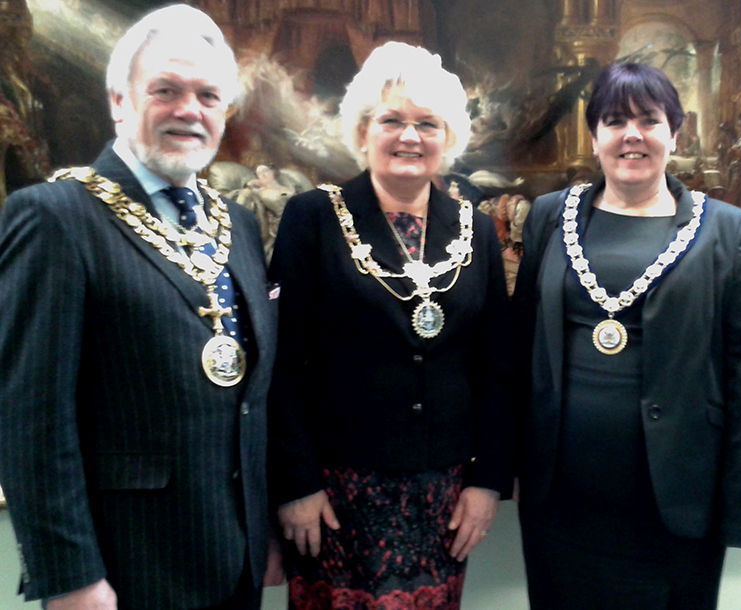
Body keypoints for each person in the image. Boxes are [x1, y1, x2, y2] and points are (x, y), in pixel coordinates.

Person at [0, 4, 278, 609]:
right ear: (119, 101)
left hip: (235, 560)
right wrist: (69, 576)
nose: (189, 110)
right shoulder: (53, 217)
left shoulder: (236, 224)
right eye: (166, 90)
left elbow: (250, 399)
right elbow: (31, 418)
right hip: (128, 569)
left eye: (208, 96)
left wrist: (265, 530)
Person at [513, 62, 741, 609]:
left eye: (649, 120)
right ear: (594, 136)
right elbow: (519, 345)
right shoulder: (547, 217)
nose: (632, 134)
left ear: (674, 133)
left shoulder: (727, 229)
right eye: (614, 120)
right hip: (560, 503)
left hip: (678, 503)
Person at [268, 41, 513, 609]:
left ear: (448, 138)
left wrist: (487, 482)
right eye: (392, 120)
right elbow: (282, 364)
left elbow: (497, 367)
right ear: (361, 131)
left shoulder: (475, 229)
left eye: (428, 123)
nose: (410, 136)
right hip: (334, 493)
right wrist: (296, 484)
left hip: (443, 495)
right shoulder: (313, 218)